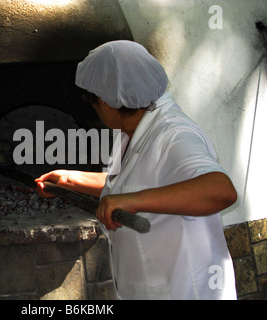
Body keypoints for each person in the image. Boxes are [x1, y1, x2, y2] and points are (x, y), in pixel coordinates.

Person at [35, 40, 238, 300]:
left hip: (185, 291)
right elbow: (128, 187)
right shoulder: (132, 130)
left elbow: (220, 191)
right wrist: (69, 179)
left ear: (107, 103)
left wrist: (133, 201)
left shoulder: (174, 135)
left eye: (93, 104)